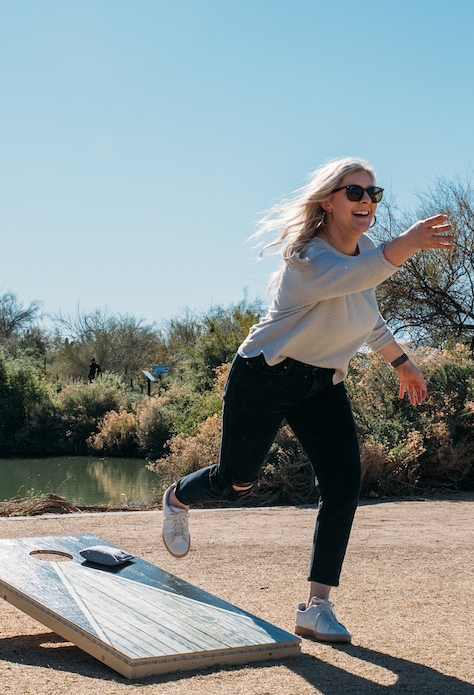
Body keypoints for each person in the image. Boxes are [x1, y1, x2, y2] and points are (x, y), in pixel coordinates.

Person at [161, 157, 453, 643]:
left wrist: (402, 361)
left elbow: (366, 314)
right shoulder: (306, 258)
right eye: (354, 192)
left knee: (343, 484)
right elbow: (355, 279)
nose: (366, 201)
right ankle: (178, 497)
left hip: (322, 385)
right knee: (237, 482)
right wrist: (408, 244)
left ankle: (317, 606)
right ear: (328, 202)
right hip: (265, 375)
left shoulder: (365, 256)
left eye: (372, 193)